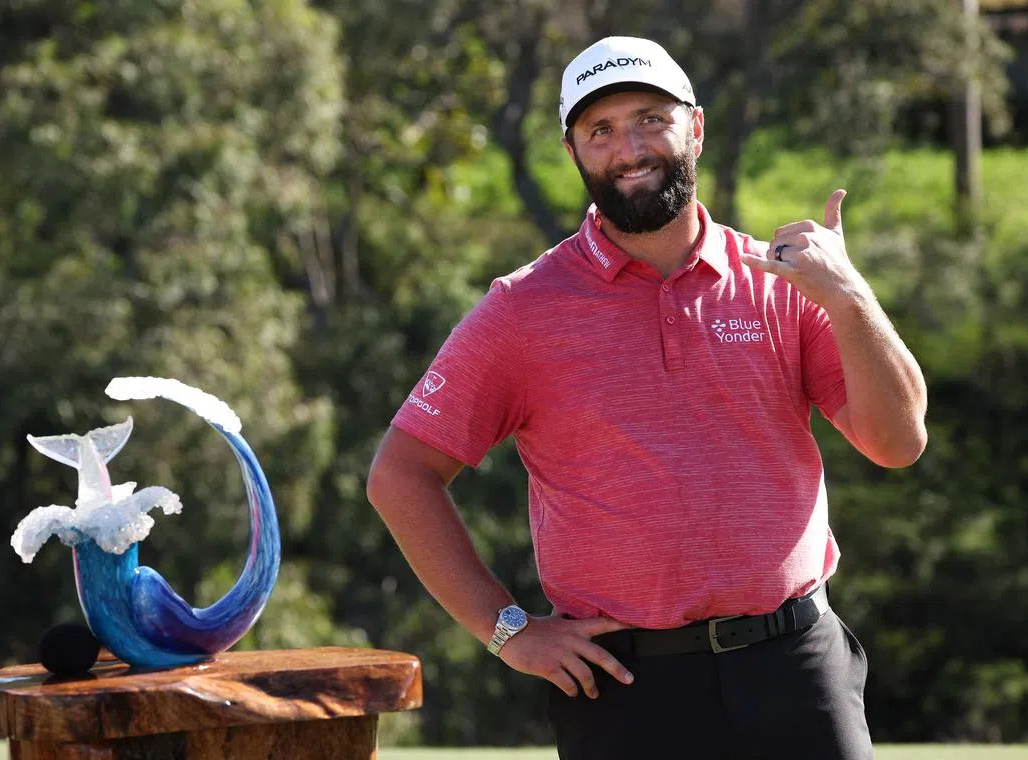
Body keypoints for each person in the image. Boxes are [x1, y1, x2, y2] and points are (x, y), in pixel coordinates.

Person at [367, 35, 927, 760]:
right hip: (626, 688)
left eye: (650, 120)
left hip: (793, 668)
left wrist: (850, 298)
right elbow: (400, 476)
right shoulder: (521, 310)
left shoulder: (781, 285)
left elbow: (898, 440)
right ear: (573, 154)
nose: (629, 148)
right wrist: (508, 631)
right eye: (600, 131)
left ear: (695, 127)